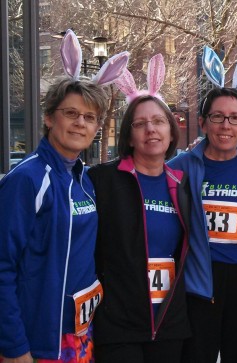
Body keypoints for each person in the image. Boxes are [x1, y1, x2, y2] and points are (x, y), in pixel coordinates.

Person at [0, 29, 128, 363]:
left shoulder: (84, 179)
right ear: (49, 117)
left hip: (78, 337)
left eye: (89, 117)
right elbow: (2, 267)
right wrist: (14, 348)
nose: (79, 124)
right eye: (71, 113)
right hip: (36, 343)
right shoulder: (27, 180)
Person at [168, 46, 237, 363]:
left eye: (235, 118)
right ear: (203, 122)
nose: (226, 125)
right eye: (218, 117)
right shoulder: (181, 167)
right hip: (199, 283)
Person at [88, 55, 191, 363]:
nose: (151, 129)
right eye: (141, 123)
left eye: (159, 122)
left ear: (172, 132)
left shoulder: (182, 185)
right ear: (129, 136)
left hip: (168, 326)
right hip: (119, 326)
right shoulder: (102, 180)